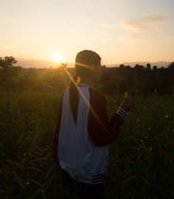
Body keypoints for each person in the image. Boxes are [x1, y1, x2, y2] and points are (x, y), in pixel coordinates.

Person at [52, 50, 132, 199]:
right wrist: (122, 111)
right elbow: (103, 138)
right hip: (89, 174)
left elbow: (58, 132)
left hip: (67, 170)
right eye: (100, 66)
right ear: (93, 67)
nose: (101, 70)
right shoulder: (96, 98)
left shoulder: (66, 93)